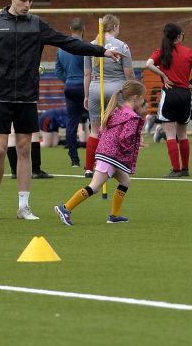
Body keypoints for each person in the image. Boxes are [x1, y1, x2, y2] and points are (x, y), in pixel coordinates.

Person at [0, 0, 123, 221]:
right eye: (23, 0)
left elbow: (68, 43)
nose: (27, 5)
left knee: (24, 149)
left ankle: (24, 207)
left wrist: (102, 51)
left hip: (27, 96)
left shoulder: (36, 25)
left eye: (31, 1)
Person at [54, 80, 147, 226]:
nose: (143, 101)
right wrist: (133, 145)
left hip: (106, 153)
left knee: (125, 182)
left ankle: (114, 216)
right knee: (95, 187)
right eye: (142, 98)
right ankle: (65, 208)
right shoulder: (132, 118)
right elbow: (124, 138)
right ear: (135, 97)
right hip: (111, 156)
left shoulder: (117, 111)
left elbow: (103, 131)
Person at [145, 23, 192, 178]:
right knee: (183, 135)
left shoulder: (161, 51)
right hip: (184, 94)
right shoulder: (188, 52)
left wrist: (163, 75)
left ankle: (175, 170)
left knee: (170, 135)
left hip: (169, 93)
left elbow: (148, 64)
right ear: (179, 36)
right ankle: (185, 169)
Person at [83, 14, 134, 177]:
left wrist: (86, 95)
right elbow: (129, 74)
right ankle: (116, 165)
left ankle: (89, 167)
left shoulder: (90, 45)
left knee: (94, 130)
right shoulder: (122, 46)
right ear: (115, 27)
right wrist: (132, 92)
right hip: (117, 89)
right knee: (118, 128)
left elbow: (87, 74)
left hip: (96, 89)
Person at [55, 17, 87, 167]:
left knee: (72, 123)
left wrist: (68, 80)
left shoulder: (61, 48)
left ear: (70, 29)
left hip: (69, 87)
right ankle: (98, 158)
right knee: (95, 121)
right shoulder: (85, 47)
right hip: (84, 87)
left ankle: (74, 159)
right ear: (83, 29)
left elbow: (58, 71)